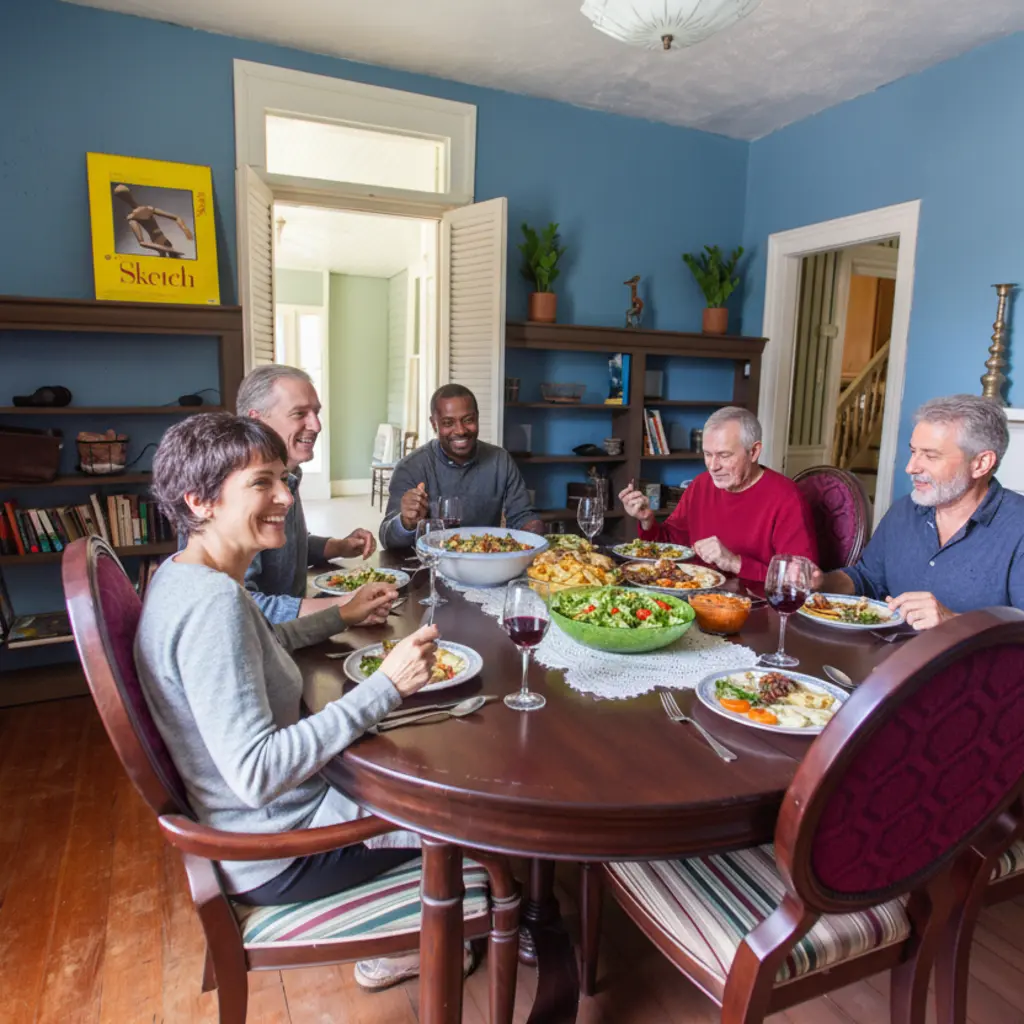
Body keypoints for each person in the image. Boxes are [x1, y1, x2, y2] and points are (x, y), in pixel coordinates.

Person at [136, 412, 456, 991]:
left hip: (259, 827)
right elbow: (257, 773)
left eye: (283, 479)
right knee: (462, 811)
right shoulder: (213, 607)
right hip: (280, 849)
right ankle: (443, 937)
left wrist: (340, 615)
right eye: (262, 483)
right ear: (200, 502)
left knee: (413, 761)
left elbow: (258, 647)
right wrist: (387, 686)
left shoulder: (183, 575)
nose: (285, 496)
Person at [814, 394, 1024, 629]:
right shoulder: (904, 511)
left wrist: (952, 622)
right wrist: (821, 583)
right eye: (913, 452)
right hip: (889, 650)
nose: (911, 467)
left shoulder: (1018, 527)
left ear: (981, 463)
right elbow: (867, 578)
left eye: (930, 456)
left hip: (976, 655)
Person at [237, 364, 380, 624]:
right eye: (299, 413)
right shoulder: (238, 494)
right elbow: (241, 608)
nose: (316, 425)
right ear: (256, 420)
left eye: (316, 412)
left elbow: (284, 549)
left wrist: (338, 546)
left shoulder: (288, 475)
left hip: (295, 632)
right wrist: (343, 608)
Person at [619, 406, 818, 581]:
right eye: (708, 454)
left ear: (754, 452)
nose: (713, 466)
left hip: (756, 605)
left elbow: (802, 580)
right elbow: (672, 546)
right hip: (698, 595)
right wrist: (647, 521)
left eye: (724, 455)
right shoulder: (701, 484)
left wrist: (734, 562)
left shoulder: (786, 498)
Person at [379, 384, 544, 548]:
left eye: (468, 420)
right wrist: (405, 522)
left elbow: (522, 516)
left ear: (477, 417)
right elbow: (387, 540)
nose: (460, 430)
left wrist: (534, 528)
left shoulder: (500, 460)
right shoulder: (410, 467)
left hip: (485, 559)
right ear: (434, 424)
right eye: (448, 423)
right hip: (429, 563)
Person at [113, 184, 193, 258]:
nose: (127, 198)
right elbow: (142, 243)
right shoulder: (141, 212)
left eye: (125, 195)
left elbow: (176, 218)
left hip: (161, 241)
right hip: (161, 241)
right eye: (124, 196)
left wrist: (185, 230)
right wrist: (184, 230)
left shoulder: (141, 212)